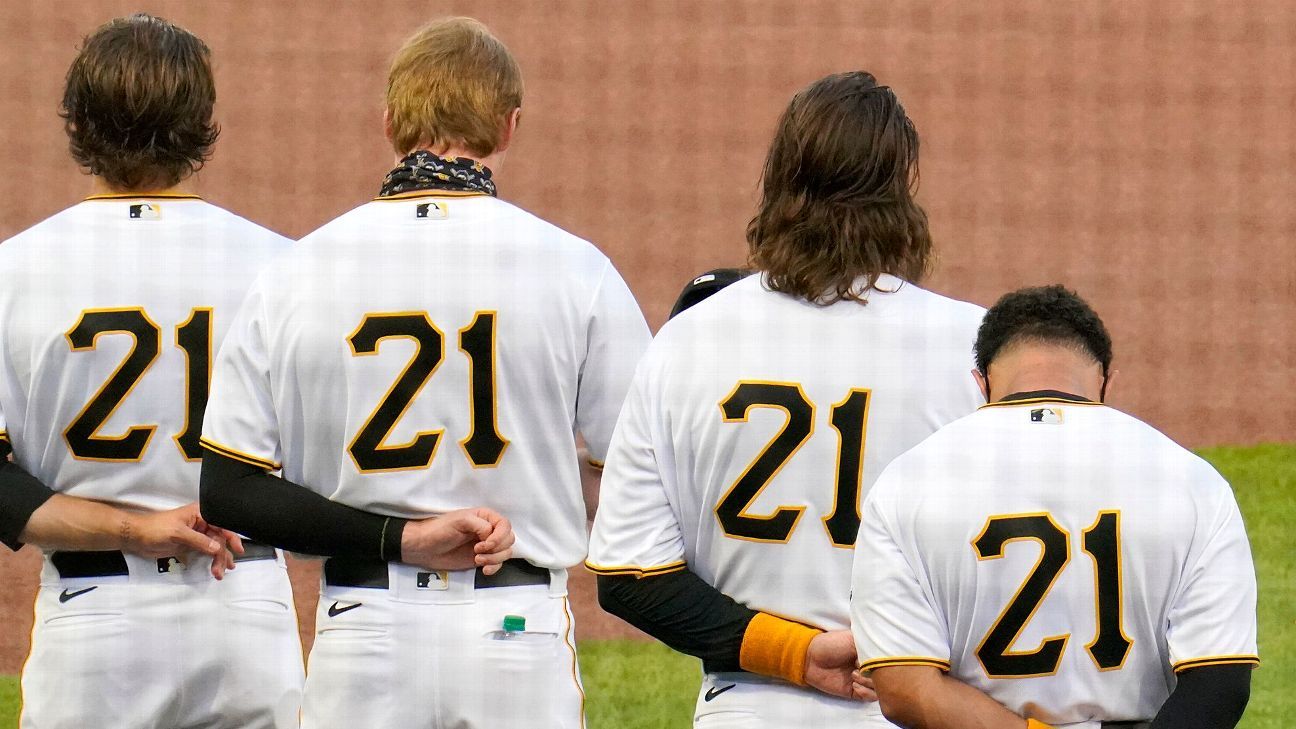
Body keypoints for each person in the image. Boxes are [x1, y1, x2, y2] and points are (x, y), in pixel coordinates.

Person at [198, 16, 650, 729]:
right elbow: (637, 477)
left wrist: (402, 532)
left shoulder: (297, 272)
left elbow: (231, 491)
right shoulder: (577, 269)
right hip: (515, 634)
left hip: (365, 634)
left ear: (389, 124)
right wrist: (541, 485)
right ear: (509, 127)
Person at [586, 71, 987, 728]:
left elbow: (632, 580)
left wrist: (795, 652)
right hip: (913, 708)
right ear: (901, 191)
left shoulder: (689, 339)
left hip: (744, 709)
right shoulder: (971, 345)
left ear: (777, 181)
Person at [0, 14, 304, 728]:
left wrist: (137, 529)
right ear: (201, 123)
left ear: (77, 120)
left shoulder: (12, 272)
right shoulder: (288, 269)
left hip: (95, 629)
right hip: (245, 608)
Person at [851, 285, 1256, 729]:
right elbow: (1220, 684)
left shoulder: (907, 482)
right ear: (1106, 382)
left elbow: (905, 689)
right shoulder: (1192, 481)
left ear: (980, 383)